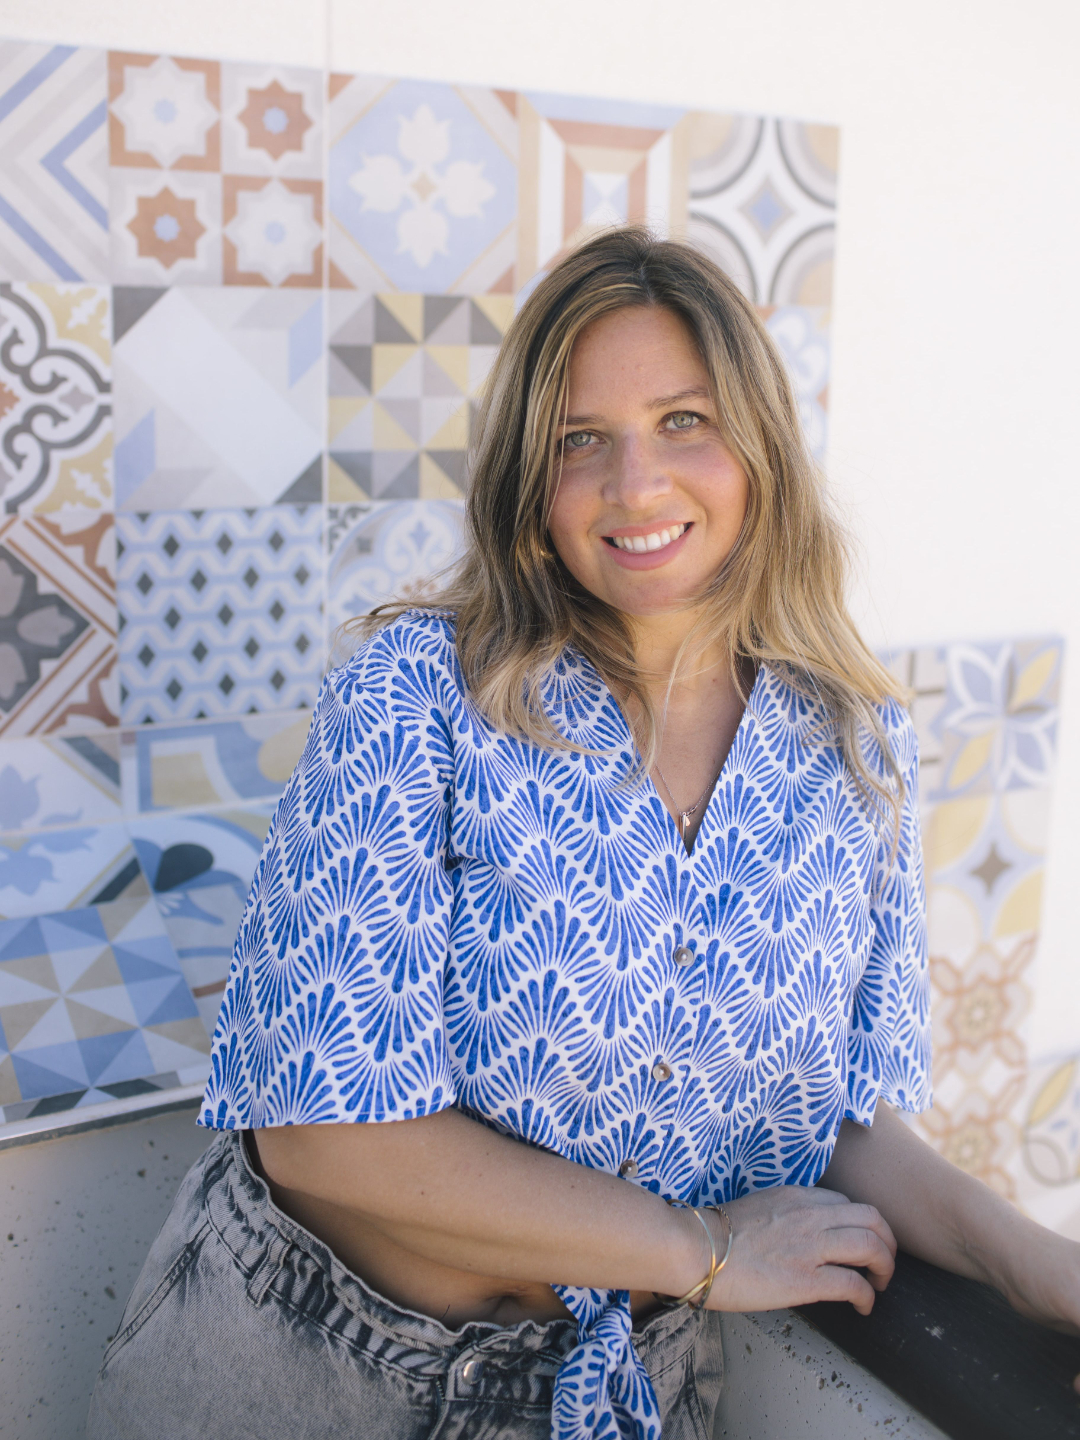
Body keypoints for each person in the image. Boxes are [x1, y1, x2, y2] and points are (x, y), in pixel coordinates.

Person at [88, 226, 1080, 1440]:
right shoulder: (416, 694)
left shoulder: (856, 746)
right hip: (307, 1369)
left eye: (684, 420)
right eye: (579, 440)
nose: (636, 485)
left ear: (760, 444)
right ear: (531, 480)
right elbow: (321, 1134)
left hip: (625, 1391)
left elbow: (833, 1123)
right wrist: (698, 1247)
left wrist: (1031, 1263)